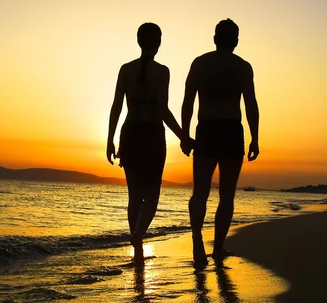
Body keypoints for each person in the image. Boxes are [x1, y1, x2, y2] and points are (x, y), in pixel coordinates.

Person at [107, 23, 192, 265]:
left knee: (134, 197)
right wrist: (183, 136)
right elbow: (162, 110)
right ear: (158, 43)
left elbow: (116, 106)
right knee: (152, 194)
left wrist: (109, 140)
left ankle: (138, 252)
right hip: (152, 135)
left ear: (138, 41)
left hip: (131, 132)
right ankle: (138, 235)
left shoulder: (125, 70)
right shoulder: (162, 72)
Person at [181, 19, 260, 266]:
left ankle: (196, 239)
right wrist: (255, 138)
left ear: (215, 39)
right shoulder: (243, 67)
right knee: (226, 196)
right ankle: (217, 249)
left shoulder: (200, 63)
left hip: (206, 129)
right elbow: (250, 104)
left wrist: (185, 134)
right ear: (236, 41)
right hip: (230, 131)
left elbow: (187, 102)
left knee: (200, 193)